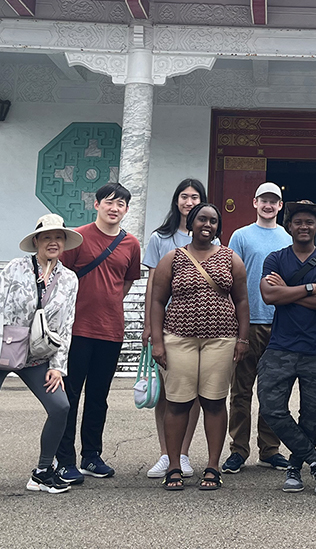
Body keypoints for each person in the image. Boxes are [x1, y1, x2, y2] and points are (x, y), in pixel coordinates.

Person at [0, 213, 81, 499]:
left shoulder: (69, 279)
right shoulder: (15, 268)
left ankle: (43, 471)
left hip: (37, 355)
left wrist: (58, 367)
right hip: (1, 351)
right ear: (36, 241)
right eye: (47, 237)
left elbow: (66, 323)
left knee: (60, 406)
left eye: (58, 237)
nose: (53, 242)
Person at [149, 203, 248, 491]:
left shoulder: (231, 258)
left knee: (214, 402)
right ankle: (174, 465)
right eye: (202, 219)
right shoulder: (173, 258)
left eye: (213, 221)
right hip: (179, 338)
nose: (207, 224)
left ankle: (213, 466)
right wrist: (157, 341)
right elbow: (157, 301)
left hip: (221, 339)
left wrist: (243, 339)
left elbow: (242, 301)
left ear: (218, 227)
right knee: (178, 403)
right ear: (191, 224)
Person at [55, 182, 141, 484]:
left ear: (127, 210)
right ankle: (64, 458)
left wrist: (109, 300)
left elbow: (126, 282)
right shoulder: (77, 238)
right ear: (97, 204)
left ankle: (91, 454)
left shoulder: (131, 244)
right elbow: (60, 278)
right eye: (109, 202)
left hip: (111, 330)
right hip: (77, 329)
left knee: (98, 397)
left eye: (120, 204)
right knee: (70, 395)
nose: (114, 208)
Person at [257, 201, 316, 496]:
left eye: (309, 222)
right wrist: (310, 288)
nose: (303, 226)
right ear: (289, 226)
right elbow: (269, 295)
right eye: (298, 222)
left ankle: (295, 467)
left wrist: (288, 294)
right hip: (281, 346)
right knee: (270, 407)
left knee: (313, 413)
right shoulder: (276, 259)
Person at [141, 178, 208, 479]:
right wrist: (148, 326)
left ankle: (183, 453)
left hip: (198, 325)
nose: (189, 202)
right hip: (166, 324)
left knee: (191, 393)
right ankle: (166, 452)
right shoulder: (161, 237)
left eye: (195, 197)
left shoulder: (213, 239)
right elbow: (153, 285)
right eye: (184, 196)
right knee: (168, 393)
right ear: (176, 200)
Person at [223, 182, 290, 474]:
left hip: (278, 323)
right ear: (254, 203)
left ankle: (270, 448)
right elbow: (230, 279)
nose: (268, 205)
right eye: (263, 200)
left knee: (274, 391)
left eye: (273, 201)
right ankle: (238, 449)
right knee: (241, 390)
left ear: (280, 206)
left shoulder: (287, 238)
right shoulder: (240, 236)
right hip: (246, 322)